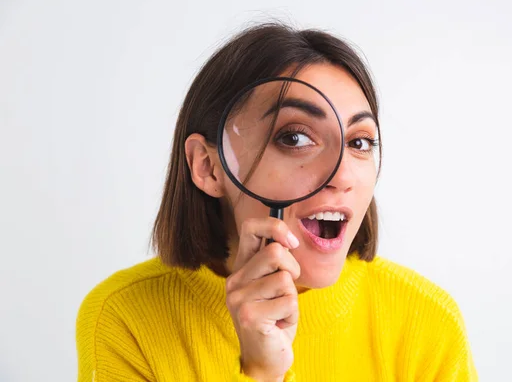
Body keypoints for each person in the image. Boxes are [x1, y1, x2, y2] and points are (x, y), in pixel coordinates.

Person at [76, 22, 478, 382]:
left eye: (359, 142)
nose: (341, 176)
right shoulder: (125, 318)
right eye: (295, 137)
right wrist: (263, 375)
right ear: (209, 167)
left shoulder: (426, 321)